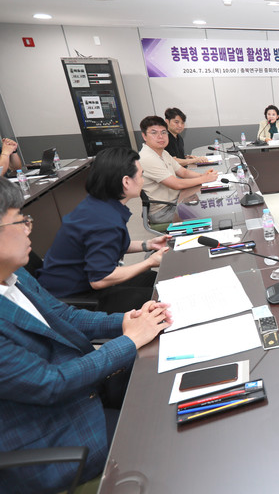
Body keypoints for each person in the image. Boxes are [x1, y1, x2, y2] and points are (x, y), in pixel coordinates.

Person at [0, 176, 172, 493]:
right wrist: (130, 340)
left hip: (85, 393)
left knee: (167, 378)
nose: (28, 230)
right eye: (20, 221)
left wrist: (127, 321)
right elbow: (50, 383)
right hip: (55, 439)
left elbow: (64, 315)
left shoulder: (14, 274)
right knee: (167, 427)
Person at [37, 148, 171, 313]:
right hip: (73, 298)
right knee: (157, 300)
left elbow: (110, 245)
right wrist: (149, 262)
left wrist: (148, 244)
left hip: (74, 283)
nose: (143, 181)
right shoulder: (105, 221)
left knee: (151, 278)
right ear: (126, 181)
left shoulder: (98, 204)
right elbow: (100, 279)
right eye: (141, 175)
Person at [138, 115, 218, 224]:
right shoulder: (147, 158)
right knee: (208, 212)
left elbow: (183, 172)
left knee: (209, 203)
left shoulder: (163, 152)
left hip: (176, 201)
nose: (160, 136)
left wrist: (203, 176)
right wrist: (204, 179)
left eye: (163, 132)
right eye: (154, 133)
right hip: (163, 211)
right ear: (144, 136)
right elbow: (176, 184)